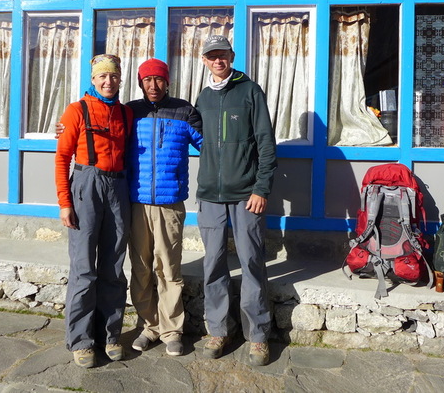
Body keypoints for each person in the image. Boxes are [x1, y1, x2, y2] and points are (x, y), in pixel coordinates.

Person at [194, 35, 277, 367]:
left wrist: (261, 189)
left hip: (246, 196)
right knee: (213, 264)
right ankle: (217, 329)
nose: (218, 60)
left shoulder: (250, 91)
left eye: (222, 54)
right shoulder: (202, 97)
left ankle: (257, 335)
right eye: (211, 56)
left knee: (251, 262)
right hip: (210, 197)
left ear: (232, 55)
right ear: (203, 60)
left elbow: (266, 145)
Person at [54, 54, 133, 369]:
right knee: (84, 268)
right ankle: (82, 340)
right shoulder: (77, 110)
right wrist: (64, 202)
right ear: (93, 79)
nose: (108, 82)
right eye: (102, 76)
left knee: (114, 266)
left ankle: (109, 334)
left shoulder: (127, 114)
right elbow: (62, 158)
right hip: (87, 186)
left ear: (119, 79)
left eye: (113, 76)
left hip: (118, 187)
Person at [125, 58, 203, 357]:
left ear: (167, 82)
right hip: (136, 202)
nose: (153, 86)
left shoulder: (184, 111)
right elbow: (104, 134)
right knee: (141, 268)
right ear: (140, 83)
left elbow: (209, 145)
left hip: (170, 203)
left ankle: (172, 330)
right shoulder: (130, 112)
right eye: (147, 80)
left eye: (159, 80)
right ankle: (149, 326)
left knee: (169, 268)